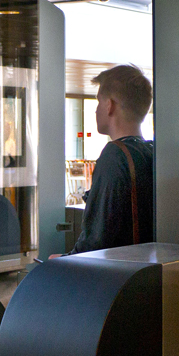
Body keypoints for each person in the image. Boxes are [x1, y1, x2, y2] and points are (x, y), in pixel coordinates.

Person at [67, 64, 154, 254]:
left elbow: (96, 240)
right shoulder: (151, 151)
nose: (96, 110)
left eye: (99, 102)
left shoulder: (114, 155)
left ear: (109, 105)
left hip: (118, 272)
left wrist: (64, 260)